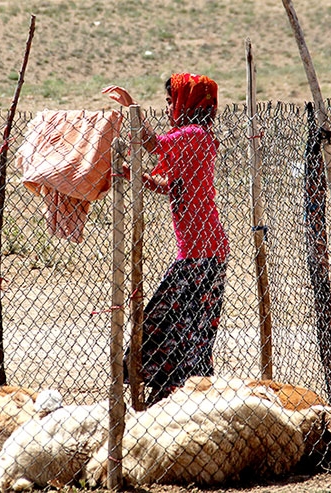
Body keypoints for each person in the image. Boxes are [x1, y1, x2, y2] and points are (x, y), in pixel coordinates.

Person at [102, 73, 229, 405]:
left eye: (173, 100)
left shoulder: (193, 136)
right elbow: (171, 185)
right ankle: (176, 393)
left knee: (183, 327)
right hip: (199, 251)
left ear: (187, 102)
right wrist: (135, 175)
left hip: (203, 253)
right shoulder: (193, 138)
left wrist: (132, 107)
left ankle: (185, 394)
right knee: (177, 325)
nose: (170, 106)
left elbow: (151, 144)